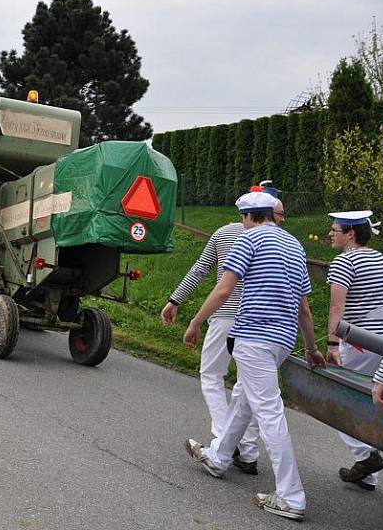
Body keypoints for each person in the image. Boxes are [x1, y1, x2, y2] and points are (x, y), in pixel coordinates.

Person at [182, 190, 326, 522]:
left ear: (248, 217)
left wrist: (195, 322)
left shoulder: (248, 241)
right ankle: (218, 457)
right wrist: (311, 347)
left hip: (253, 337)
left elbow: (224, 289)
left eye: (243, 219)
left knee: (269, 413)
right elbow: (304, 307)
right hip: (282, 340)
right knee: (245, 399)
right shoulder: (294, 245)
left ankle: (291, 496)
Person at [161, 185, 284, 474]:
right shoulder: (281, 240)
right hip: (261, 322)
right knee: (249, 387)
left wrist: (175, 299)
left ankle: (222, 437)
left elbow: (201, 269)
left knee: (212, 375)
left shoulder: (226, 233)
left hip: (226, 315)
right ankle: (249, 452)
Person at [326, 210, 383, 490]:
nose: (330, 233)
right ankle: (369, 476)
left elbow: (336, 307)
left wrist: (331, 342)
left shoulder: (343, 261)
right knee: (373, 401)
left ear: (350, 234)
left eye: (335, 230)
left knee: (340, 401)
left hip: (358, 342)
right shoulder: (379, 258)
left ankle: (366, 456)